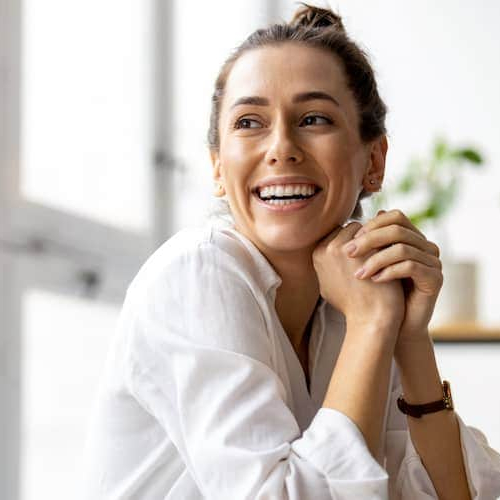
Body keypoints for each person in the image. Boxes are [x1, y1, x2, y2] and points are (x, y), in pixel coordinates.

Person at [80, 4, 500, 499]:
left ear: (375, 159)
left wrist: (407, 337)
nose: (281, 147)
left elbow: (454, 495)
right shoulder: (197, 274)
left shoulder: (354, 300)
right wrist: (371, 328)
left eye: (314, 118)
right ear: (218, 166)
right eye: (249, 122)